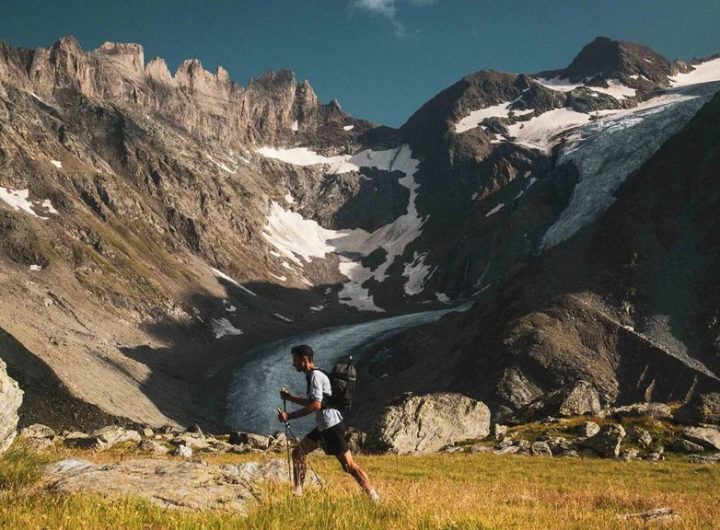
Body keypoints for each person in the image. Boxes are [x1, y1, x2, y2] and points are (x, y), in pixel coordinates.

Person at [277, 344, 380, 502]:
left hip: (330, 426)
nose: (294, 364)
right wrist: (290, 398)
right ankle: (297, 493)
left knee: (349, 465)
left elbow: (316, 405)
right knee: (298, 453)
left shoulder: (315, 376)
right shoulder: (315, 375)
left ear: (305, 359)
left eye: (295, 360)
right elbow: (314, 401)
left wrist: (289, 416)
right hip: (325, 426)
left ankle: (374, 496)